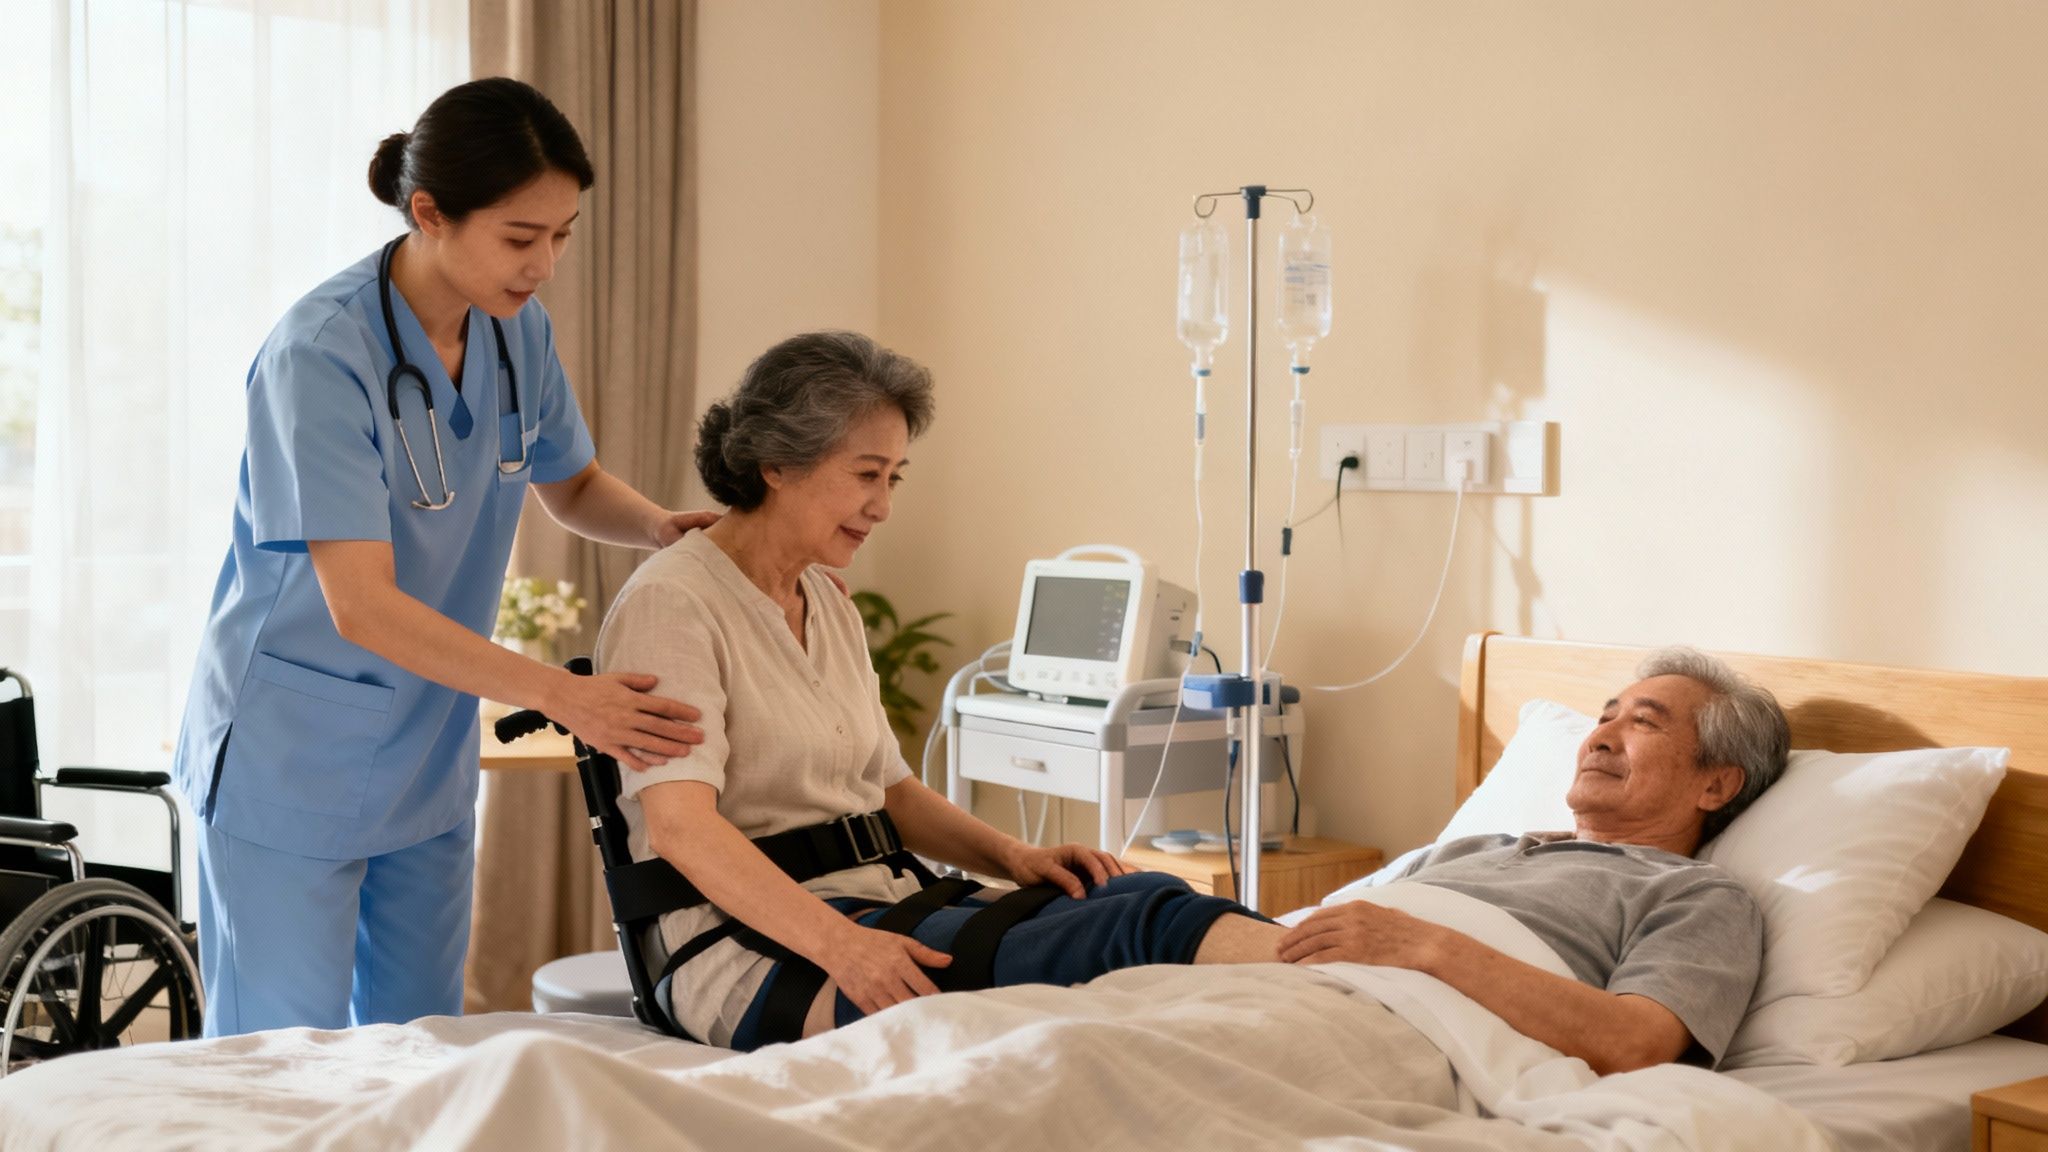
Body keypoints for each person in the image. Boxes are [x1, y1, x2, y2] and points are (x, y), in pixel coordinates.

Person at [171, 78, 718, 1038]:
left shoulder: (517, 332)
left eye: (563, 234)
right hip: (291, 751)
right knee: (281, 1062)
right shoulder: (321, 352)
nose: (545, 265)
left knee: (423, 1046)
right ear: (429, 213)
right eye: (520, 238)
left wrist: (664, 530)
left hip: (424, 748)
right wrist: (564, 694)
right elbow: (363, 608)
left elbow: (571, 484)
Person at [595, 330, 1279, 1050]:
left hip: (875, 904)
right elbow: (680, 830)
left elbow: (888, 789)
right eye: (866, 475)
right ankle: (1369, 971)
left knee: (1139, 894)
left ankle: (1350, 976)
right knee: (1140, 929)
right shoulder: (674, 603)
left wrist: (1017, 858)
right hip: (748, 955)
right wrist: (844, 949)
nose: (883, 506)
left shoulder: (824, 600)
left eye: (894, 478)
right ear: (777, 463)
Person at [1265, 648, 1791, 1073]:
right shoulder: (1474, 848)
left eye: (1644, 724)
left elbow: (1637, 1043)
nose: (1600, 739)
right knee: (1180, 910)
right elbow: (1319, 938)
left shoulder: (1697, 895)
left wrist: (1423, 944)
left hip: (1387, 1032)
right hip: (1294, 989)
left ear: (1716, 784)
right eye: (1605, 717)